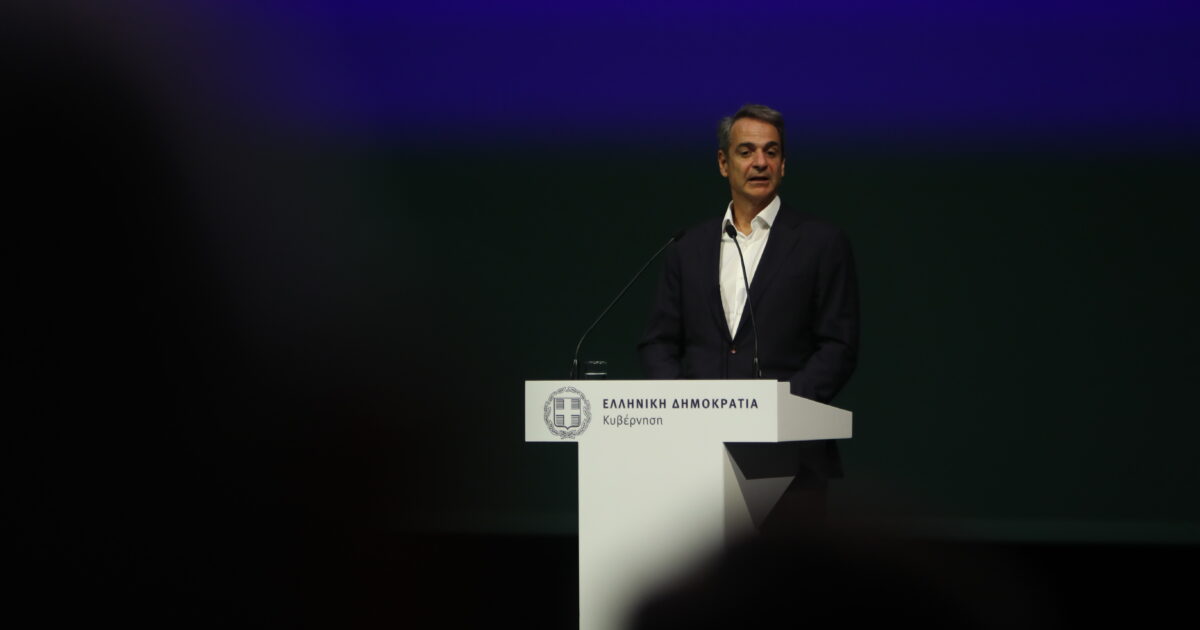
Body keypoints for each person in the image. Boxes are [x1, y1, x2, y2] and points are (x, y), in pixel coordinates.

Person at [638, 104, 860, 529]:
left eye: (771, 151)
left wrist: (777, 409)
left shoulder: (821, 242)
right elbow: (658, 342)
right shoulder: (687, 247)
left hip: (790, 458)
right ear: (723, 163)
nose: (760, 162)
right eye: (746, 151)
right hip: (696, 454)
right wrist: (681, 407)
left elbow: (838, 346)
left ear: (784, 164)